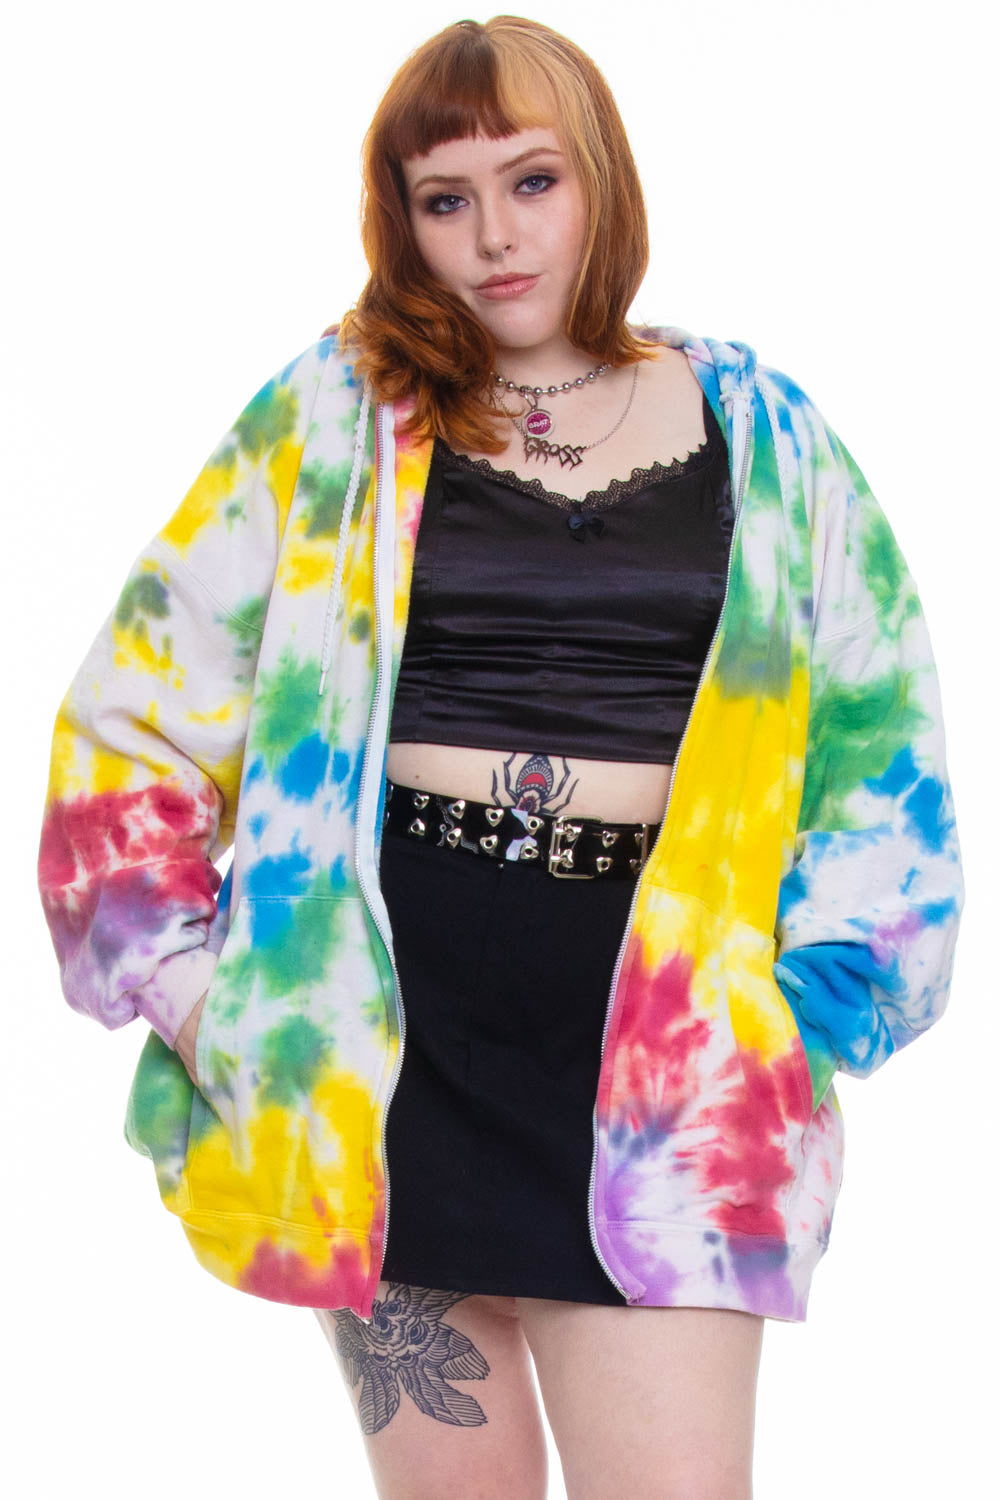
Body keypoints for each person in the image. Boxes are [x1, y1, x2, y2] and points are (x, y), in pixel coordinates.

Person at [36, 15, 964, 1500]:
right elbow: (131, 719)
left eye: (533, 180)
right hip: (381, 1052)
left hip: (662, 1059)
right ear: (400, 220)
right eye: (444, 198)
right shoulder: (339, 411)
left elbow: (881, 754)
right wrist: (209, 1004)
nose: (494, 236)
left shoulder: (768, 434)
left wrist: (799, 1020)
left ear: (600, 178)